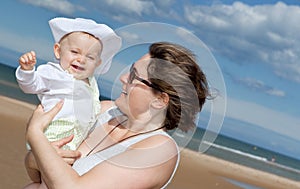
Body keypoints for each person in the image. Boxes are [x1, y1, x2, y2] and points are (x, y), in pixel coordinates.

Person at [24, 42, 210, 189]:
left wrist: (35, 134)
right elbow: (38, 172)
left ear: (160, 100)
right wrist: (38, 155)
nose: (122, 78)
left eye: (133, 76)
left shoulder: (160, 149)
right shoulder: (102, 111)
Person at [15, 17, 121, 150]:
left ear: (98, 63)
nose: (81, 59)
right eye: (75, 52)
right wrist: (27, 71)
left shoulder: (91, 82)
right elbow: (30, 85)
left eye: (90, 57)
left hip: (77, 138)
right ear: (58, 51)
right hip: (53, 134)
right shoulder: (54, 73)